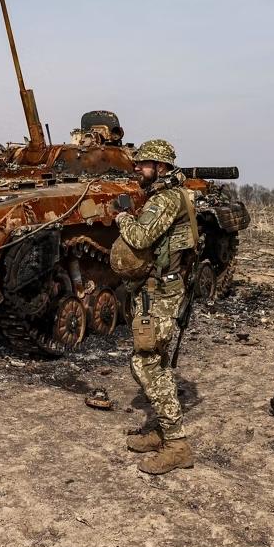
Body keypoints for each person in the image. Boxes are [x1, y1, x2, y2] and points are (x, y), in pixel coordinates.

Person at [114, 138, 197, 475]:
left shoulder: (165, 199)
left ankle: (177, 445)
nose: (137, 167)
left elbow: (139, 238)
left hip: (161, 292)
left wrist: (122, 217)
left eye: (144, 163)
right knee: (156, 360)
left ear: (161, 167)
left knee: (146, 362)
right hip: (159, 288)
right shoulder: (172, 195)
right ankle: (162, 431)